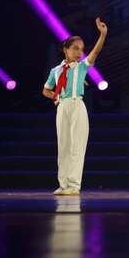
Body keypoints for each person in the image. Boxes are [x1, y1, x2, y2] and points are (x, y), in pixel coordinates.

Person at [42, 17, 108, 195]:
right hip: (62, 107)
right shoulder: (56, 71)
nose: (80, 52)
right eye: (75, 48)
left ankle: (74, 185)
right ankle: (63, 184)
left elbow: (95, 52)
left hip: (77, 105)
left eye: (81, 49)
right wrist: (56, 97)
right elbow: (46, 90)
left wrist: (102, 35)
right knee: (63, 146)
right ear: (66, 49)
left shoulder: (81, 67)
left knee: (77, 146)